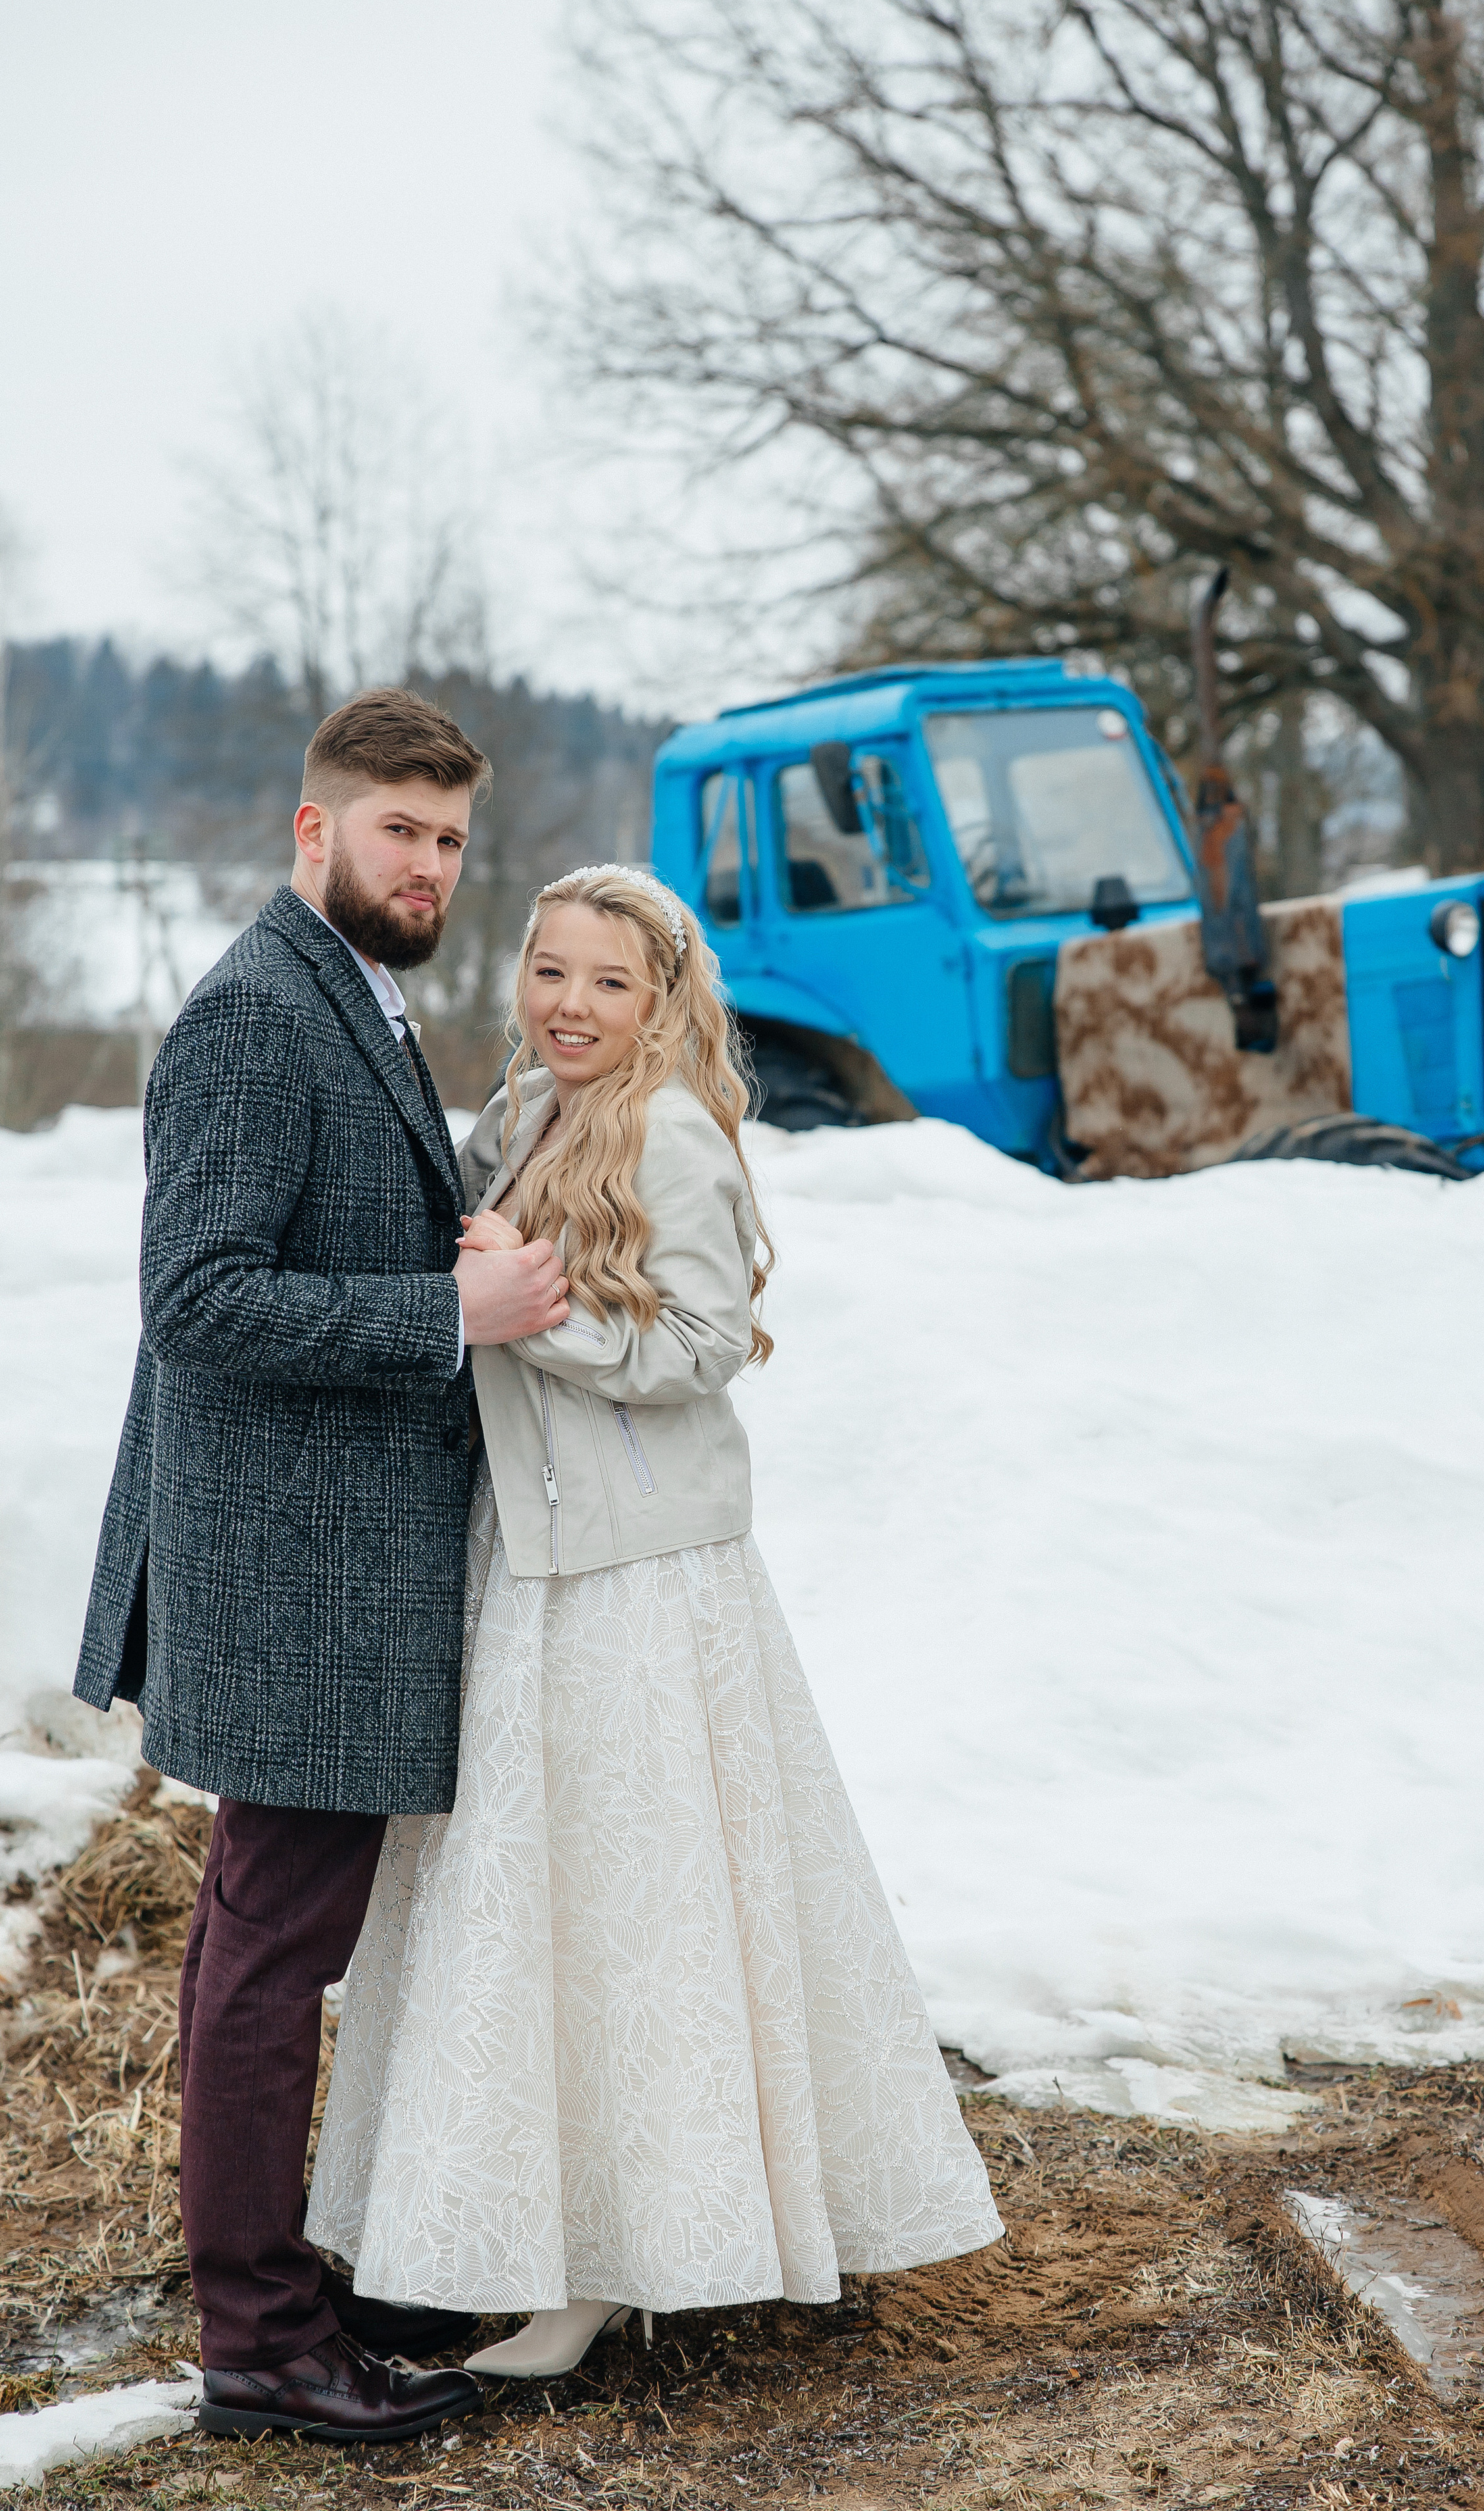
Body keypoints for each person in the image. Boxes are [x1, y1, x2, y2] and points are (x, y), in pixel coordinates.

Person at [307, 865, 1001, 2375]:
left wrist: (532, 1310)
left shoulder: (672, 1132)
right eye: (549, 971)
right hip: (532, 1552)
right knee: (533, 1905)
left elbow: (695, 1347)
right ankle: (521, 2225)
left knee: (637, 1902)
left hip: (634, 1574)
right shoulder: (524, 1114)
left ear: (661, 1001)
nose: (568, 1004)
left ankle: (613, 2265)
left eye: (607, 984)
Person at [72, 688, 572, 2443]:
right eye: (396, 832)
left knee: (256, 1947)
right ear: (314, 833)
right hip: (293, 1585)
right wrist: (454, 1313)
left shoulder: (350, 998)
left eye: (447, 840)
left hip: (322, 1570)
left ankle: (267, 2297)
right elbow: (195, 1304)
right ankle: (265, 2345)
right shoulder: (256, 1018)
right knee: (273, 1957)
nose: (427, 867)